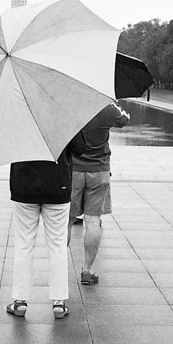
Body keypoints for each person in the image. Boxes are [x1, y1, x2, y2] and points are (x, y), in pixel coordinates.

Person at [6, 132, 86, 320]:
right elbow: (80, 148)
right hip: (57, 184)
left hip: (23, 185)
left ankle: (20, 301)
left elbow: (7, 146)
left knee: (24, 245)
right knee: (57, 246)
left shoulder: (18, 114)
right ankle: (59, 302)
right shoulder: (62, 114)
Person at [68, 102, 130, 287]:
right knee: (93, 220)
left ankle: (59, 266)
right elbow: (125, 119)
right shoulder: (106, 107)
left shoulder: (70, 106)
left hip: (73, 170)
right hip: (99, 170)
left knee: (67, 220)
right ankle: (87, 270)